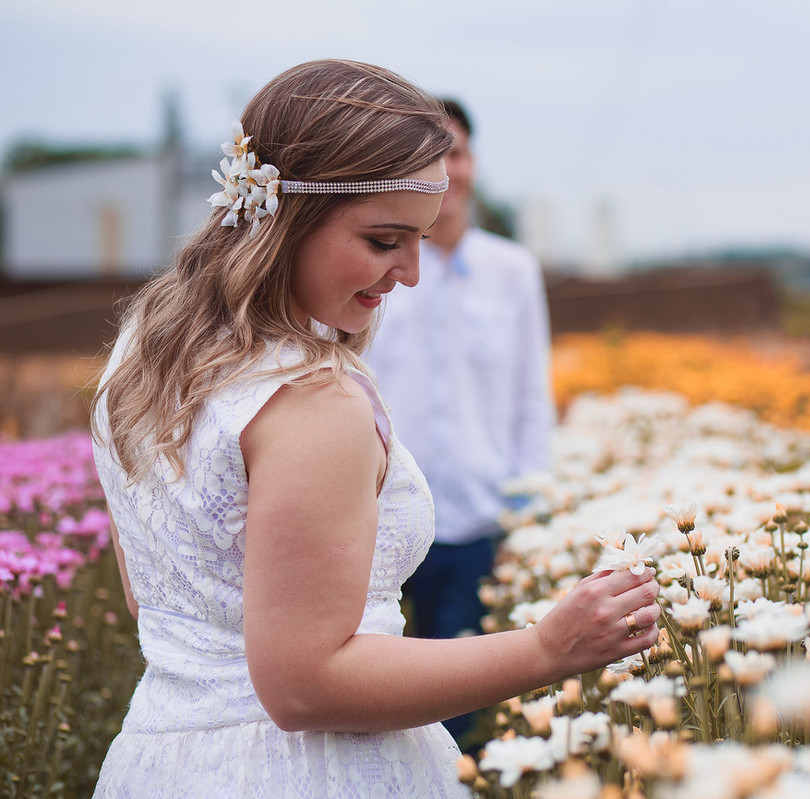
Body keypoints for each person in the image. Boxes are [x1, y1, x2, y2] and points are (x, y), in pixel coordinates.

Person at [89, 59, 660, 798]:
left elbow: (160, 598)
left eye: (421, 238)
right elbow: (304, 689)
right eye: (386, 240)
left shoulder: (145, 352)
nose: (412, 273)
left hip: (160, 761)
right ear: (285, 216)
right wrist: (548, 648)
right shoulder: (309, 402)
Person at [364, 99, 553, 743]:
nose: (447, 169)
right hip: (376, 520)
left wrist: (525, 510)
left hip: (476, 518)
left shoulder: (513, 272)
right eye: (428, 156)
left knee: (457, 714)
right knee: (372, 698)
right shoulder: (372, 269)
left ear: (473, 163)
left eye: (456, 152)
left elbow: (533, 397)